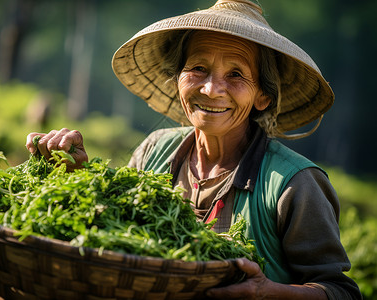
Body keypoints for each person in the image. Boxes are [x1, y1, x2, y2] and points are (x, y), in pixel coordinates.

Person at [25, 0, 361, 299]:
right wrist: (79, 176)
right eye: (198, 68)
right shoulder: (153, 152)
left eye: (236, 75)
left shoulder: (294, 185)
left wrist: (268, 293)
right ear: (178, 79)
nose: (212, 89)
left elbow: (341, 291)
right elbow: (115, 234)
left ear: (262, 96)